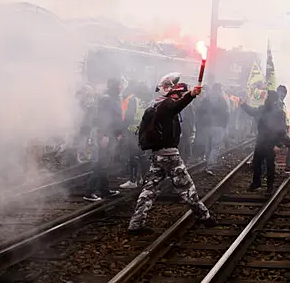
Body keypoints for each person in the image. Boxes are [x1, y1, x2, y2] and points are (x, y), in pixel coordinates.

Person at [127, 73, 215, 234]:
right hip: (170, 156)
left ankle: (135, 223)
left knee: (149, 190)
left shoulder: (154, 105)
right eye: (179, 95)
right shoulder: (167, 105)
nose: (179, 98)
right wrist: (192, 95)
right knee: (187, 188)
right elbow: (177, 106)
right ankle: (205, 217)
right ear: (172, 92)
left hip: (157, 155)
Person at [84, 78, 124, 202]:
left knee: (105, 163)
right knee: (100, 164)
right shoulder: (107, 99)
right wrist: (104, 135)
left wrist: (118, 132)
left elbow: (116, 118)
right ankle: (89, 192)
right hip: (106, 135)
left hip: (111, 134)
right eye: (119, 85)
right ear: (115, 86)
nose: (121, 87)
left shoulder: (112, 98)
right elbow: (103, 119)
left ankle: (104, 189)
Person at [241, 90, 288, 193]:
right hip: (261, 140)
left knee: (270, 165)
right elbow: (252, 112)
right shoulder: (264, 109)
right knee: (257, 163)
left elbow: (282, 130)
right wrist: (243, 104)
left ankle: (269, 186)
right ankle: (256, 183)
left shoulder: (279, 113)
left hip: (271, 142)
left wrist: (278, 144)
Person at [198, 84, 230, 175]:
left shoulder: (206, 98)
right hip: (219, 126)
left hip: (207, 126)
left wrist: (202, 123)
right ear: (220, 89)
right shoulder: (222, 99)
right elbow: (226, 113)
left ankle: (207, 163)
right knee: (215, 147)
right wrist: (224, 125)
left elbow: (200, 110)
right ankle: (210, 166)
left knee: (208, 145)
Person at [277, 85, 290, 173]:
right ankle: (289, 166)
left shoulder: (279, 102)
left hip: (276, 130)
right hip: (279, 131)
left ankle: (260, 164)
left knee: (271, 146)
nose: (283, 95)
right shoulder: (279, 103)